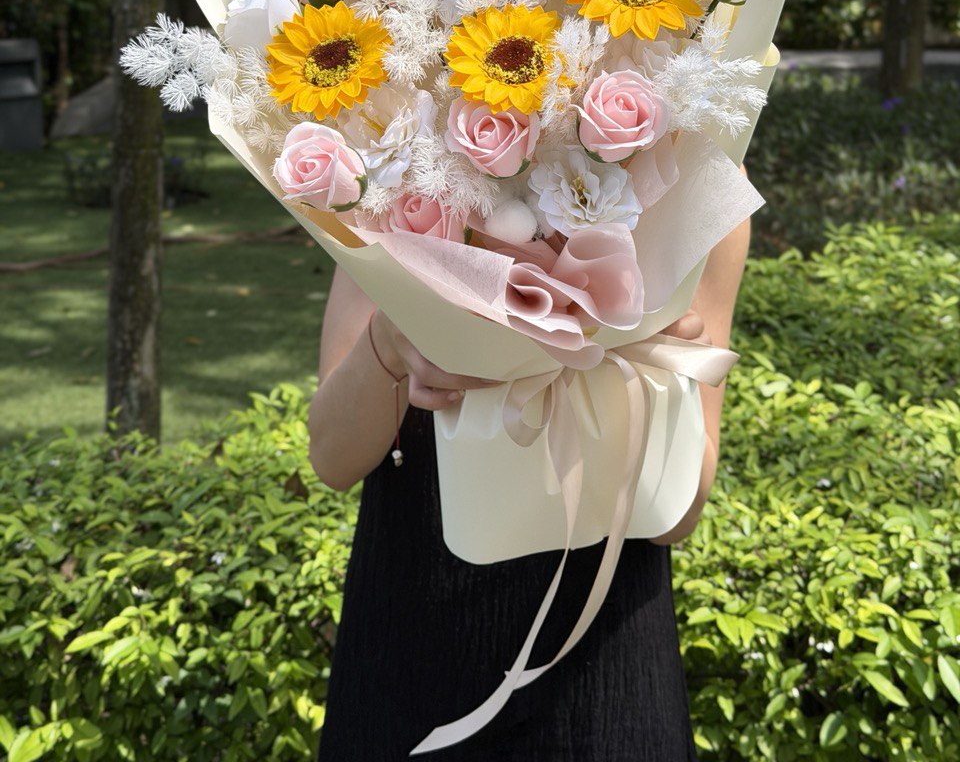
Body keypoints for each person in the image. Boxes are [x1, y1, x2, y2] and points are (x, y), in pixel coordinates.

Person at [309, 212, 752, 761]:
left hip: (606, 659)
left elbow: (679, 519)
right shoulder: (391, 166)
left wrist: (659, 373)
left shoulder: (699, 172)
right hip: (411, 647)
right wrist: (388, 343)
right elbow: (332, 459)